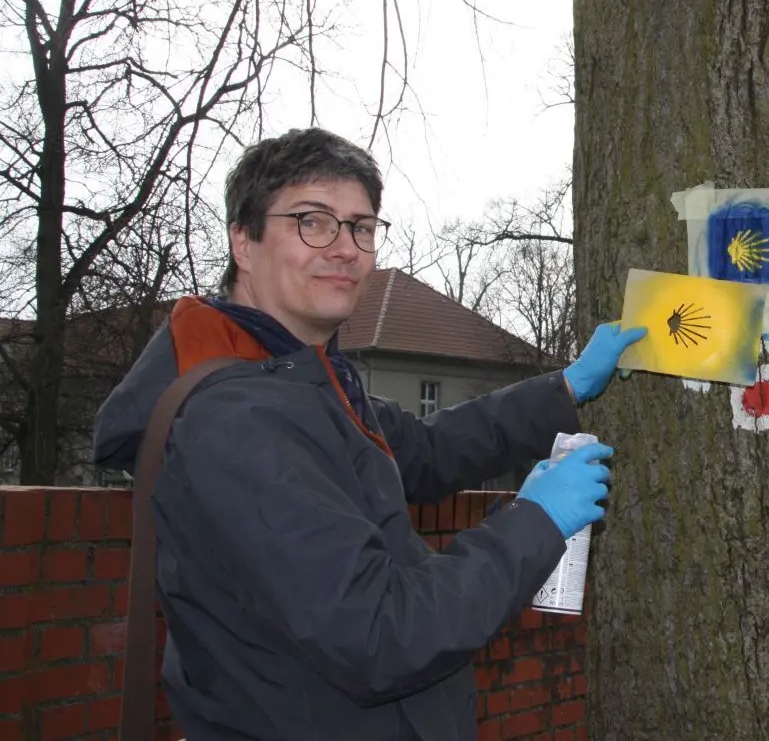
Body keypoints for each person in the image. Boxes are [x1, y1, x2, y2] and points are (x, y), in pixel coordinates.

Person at [93, 128, 645, 741]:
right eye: (313, 222)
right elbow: (381, 633)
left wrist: (563, 389)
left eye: (361, 226)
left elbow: (427, 450)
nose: (345, 248)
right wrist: (534, 522)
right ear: (243, 241)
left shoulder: (300, 377)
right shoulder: (238, 420)